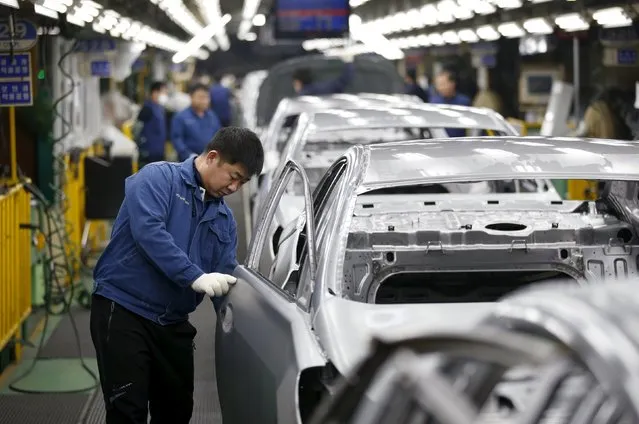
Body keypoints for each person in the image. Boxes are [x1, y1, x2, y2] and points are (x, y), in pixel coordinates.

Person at [90, 127, 264, 424]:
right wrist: (194, 276)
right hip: (123, 311)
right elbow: (150, 234)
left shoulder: (224, 221)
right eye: (233, 176)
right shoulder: (157, 178)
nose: (235, 188)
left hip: (172, 323)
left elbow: (224, 278)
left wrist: (251, 326)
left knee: (176, 411)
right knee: (126, 411)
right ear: (212, 157)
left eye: (243, 182)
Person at [170, 83, 221, 161]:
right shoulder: (181, 117)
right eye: (200, 97)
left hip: (209, 161)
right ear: (191, 97)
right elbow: (177, 139)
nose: (204, 101)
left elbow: (219, 135)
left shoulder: (212, 116)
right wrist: (188, 155)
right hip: (187, 162)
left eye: (206, 97)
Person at [134, 81, 169, 166]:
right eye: (163, 92)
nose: (165, 95)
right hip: (148, 153)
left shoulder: (160, 108)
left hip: (159, 151)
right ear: (155, 92)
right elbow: (136, 130)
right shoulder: (147, 109)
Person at [430, 69, 472, 137]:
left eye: (443, 84)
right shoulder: (434, 102)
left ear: (453, 84)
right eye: (438, 85)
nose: (440, 88)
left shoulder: (464, 102)